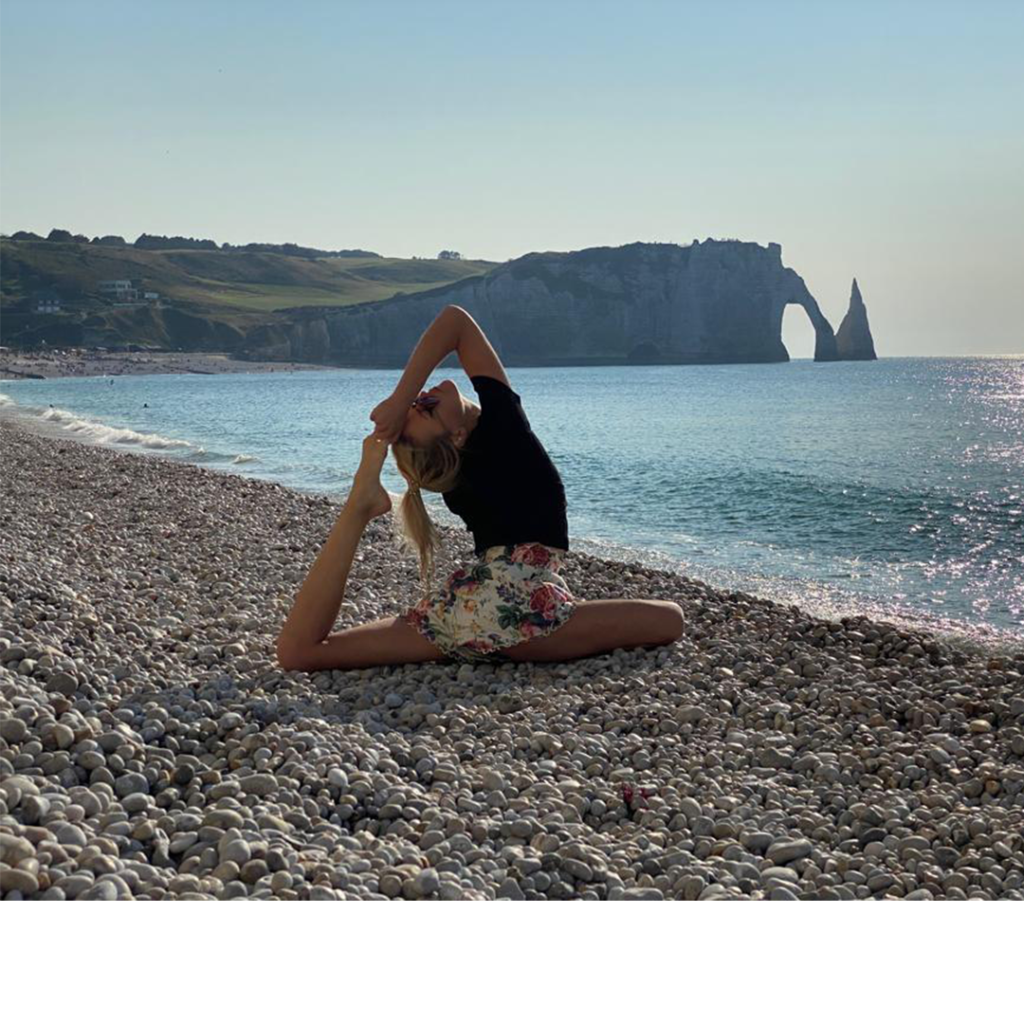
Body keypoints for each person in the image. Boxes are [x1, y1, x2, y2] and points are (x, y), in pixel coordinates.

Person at [275, 305, 684, 672]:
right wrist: (399, 401)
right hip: (525, 614)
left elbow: (453, 329)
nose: (421, 396)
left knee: (303, 652)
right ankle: (362, 502)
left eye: (418, 402)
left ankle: (359, 503)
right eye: (425, 408)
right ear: (457, 437)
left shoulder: (462, 481)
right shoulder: (499, 434)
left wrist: (401, 417)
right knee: (671, 618)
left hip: (465, 609)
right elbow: (455, 322)